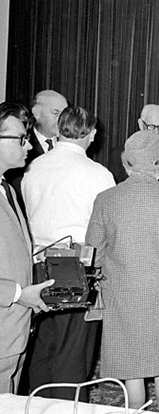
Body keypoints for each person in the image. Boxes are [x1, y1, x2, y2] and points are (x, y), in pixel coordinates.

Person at [86, 130, 159, 412]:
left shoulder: (106, 199)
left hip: (121, 291)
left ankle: (134, 411)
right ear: (157, 168)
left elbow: (93, 252)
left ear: (128, 165)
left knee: (131, 363)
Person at [21, 106, 115, 400]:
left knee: (41, 346)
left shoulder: (32, 168)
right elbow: (108, 229)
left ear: (59, 130)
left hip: (35, 265)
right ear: (92, 134)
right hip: (75, 268)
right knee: (73, 351)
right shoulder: (99, 174)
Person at [0, 101, 54, 394]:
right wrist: (20, 294)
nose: (29, 147)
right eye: (21, 139)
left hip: (14, 332)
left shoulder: (7, 188)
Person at [4, 90, 68, 212]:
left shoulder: (69, 146)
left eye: (65, 115)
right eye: (56, 113)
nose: (62, 120)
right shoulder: (19, 146)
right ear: (37, 114)